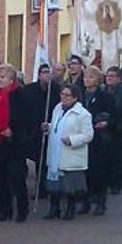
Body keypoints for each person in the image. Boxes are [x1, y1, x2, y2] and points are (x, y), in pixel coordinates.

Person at [0, 64, 30, 223]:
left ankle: (22, 211)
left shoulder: (19, 94)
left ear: (11, 79)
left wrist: (13, 129)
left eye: (3, 77)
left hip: (14, 142)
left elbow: (24, 117)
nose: (0, 80)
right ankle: (5, 210)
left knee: (16, 176)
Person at [43, 83, 94, 220]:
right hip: (55, 150)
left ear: (75, 98)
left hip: (70, 152)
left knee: (69, 184)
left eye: (67, 95)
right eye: (62, 94)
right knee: (54, 182)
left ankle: (70, 208)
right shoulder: (57, 109)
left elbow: (88, 135)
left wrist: (72, 140)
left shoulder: (83, 114)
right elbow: (56, 126)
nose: (63, 98)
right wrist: (48, 127)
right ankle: (54, 208)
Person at [22, 64, 60, 200]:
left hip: (53, 130)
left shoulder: (57, 90)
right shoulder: (29, 90)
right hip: (35, 130)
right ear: (39, 74)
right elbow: (26, 110)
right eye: (45, 72)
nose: (48, 75)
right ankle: (41, 188)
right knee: (40, 160)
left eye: (50, 72)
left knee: (52, 160)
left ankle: (52, 187)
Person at [80, 66, 114, 215]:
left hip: (99, 138)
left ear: (98, 80)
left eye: (91, 77)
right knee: (84, 170)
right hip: (83, 137)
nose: (87, 79)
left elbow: (115, 115)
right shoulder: (79, 95)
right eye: (85, 76)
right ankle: (85, 200)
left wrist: (107, 123)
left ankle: (100, 201)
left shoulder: (106, 96)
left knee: (99, 170)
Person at [104, 67, 122, 194]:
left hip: (119, 131)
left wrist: (119, 127)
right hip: (105, 130)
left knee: (118, 159)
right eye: (107, 75)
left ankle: (117, 184)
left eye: (112, 76)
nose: (109, 78)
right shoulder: (104, 90)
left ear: (119, 78)